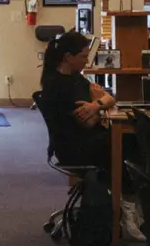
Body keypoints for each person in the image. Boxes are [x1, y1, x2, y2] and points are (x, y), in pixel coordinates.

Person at [36, 30, 113, 171]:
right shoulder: (58, 86)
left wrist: (95, 105)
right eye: (84, 56)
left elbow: (110, 99)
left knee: (128, 137)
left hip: (84, 141)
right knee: (128, 140)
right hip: (75, 149)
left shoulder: (75, 77)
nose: (87, 61)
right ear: (68, 57)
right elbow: (89, 123)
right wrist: (98, 103)